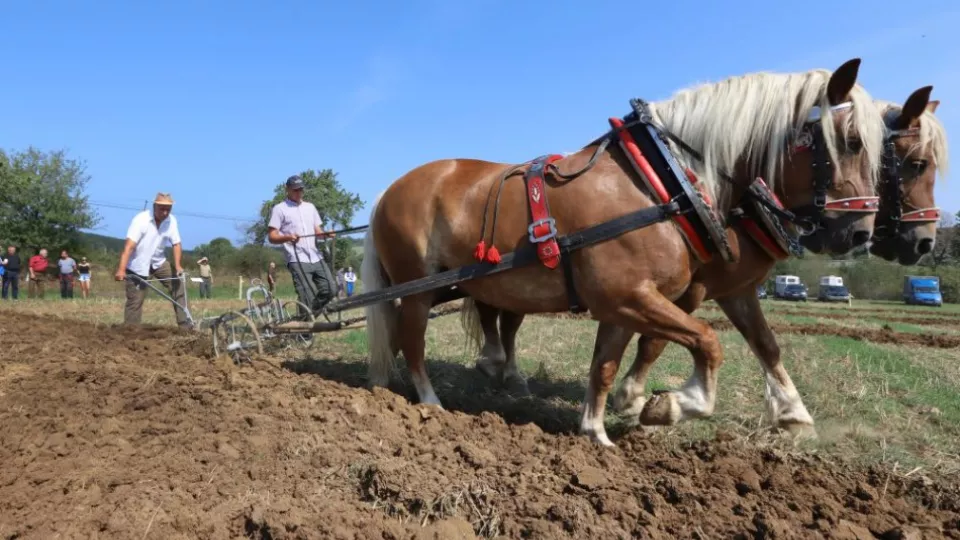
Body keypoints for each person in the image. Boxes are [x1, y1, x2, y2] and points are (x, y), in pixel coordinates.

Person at [114, 192, 192, 330]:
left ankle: (186, 328)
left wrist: (178, 266)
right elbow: (129, 246)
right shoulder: (141, 220)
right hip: (138, 265)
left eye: (168, 209)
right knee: (135, 300)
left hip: (159, 262)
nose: (165, 212)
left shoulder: (171, 221)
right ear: (154, 206)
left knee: (179, 287)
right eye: (162, 208)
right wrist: (121, 269)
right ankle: (131, 332)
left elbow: (177, 244)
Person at [267, 175, 337, 314]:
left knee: (331, 290)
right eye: (295, 190)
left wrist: (326, 235)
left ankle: (306, 317)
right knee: (307, 296)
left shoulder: (310, 207)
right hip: (296, 258)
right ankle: (305, 331)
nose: (298, 192)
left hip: (315, 256)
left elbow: (318, 232)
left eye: (300, 189)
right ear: (287, 189)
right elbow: (272, 236)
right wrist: (287, 237)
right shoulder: (280, 209)